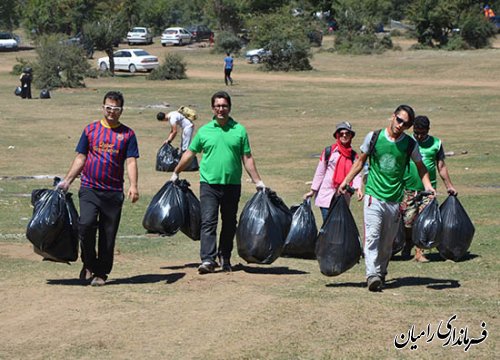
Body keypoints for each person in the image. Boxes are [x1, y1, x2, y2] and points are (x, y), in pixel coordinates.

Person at [339, 105, 435, 292]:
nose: (400, 125)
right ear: (392, 116)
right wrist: (346, 181)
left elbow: (421, 166)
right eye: (399, 120)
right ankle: (371, 274)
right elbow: (360, 162)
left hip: (394, 200)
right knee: (372, 237)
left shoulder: (409, 144)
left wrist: (428, 186)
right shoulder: (374, 137)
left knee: (387, 242)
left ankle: (381, 272)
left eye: (405, 124)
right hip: (374, 196)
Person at [171, 91, 265, 274]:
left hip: (232, 184)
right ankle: (207, 259)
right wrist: (176, 171)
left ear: (229, 107)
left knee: (230, 222)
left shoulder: (239, 130)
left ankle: (225, 256)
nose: (221, 109)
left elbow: (247, 158)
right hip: (209, 184)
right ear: (212, 108)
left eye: (224, 106)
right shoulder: (205, 131)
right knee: (208, 221)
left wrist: (258, 181)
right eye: (217, 106)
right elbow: (190, 153)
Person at [57, 91, 139, 286]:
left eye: (116, 109)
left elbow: (130, 161)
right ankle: (88, 263)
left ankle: (101, 273)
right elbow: (81, 157)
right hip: (89, 188)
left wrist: (133, 185)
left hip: (113, 192)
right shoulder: (90, 130)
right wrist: (67, 180)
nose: (111, 112)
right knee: (84, 225)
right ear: (103, 108)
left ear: (121, 111)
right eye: (108, 108)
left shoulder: (128, 134)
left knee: (107, 235)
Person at [401, 115, 458, 262]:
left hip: (428, 190)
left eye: (423, 133)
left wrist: (449, 186)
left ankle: (419, 252)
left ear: (428, 130)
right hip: (408, 188)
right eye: (417, 132)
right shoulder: (406, 141)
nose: (419, 136)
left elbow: (441, 167)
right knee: (408, 221)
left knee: (424, 221)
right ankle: (408, 242)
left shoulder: (436, 144)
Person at [304, 121, 363, 222]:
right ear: (337, 135)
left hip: (343, 196)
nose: (344, 136)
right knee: (328, 226)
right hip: (326, 194)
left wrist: (358, 189)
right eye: (341, 133)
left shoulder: (354, 155)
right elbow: (320, 172)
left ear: (351, 136)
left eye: (347, 133)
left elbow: (356, 173)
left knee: (339, 225)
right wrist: (313, 191)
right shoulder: (329, 151)